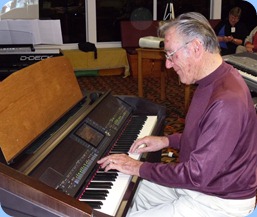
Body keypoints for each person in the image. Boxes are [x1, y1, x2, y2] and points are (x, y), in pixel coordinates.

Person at [97, 12, 257, 217]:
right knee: (129, 195)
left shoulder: (227, 101)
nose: (168, 65)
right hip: (201, 185)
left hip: (218, 200)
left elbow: (196, 175)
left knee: (134, 183)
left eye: (171, 55)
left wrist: (138, 167)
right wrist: (166, 141)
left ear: (196, 48)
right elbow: (207, 137)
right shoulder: (212, 78)